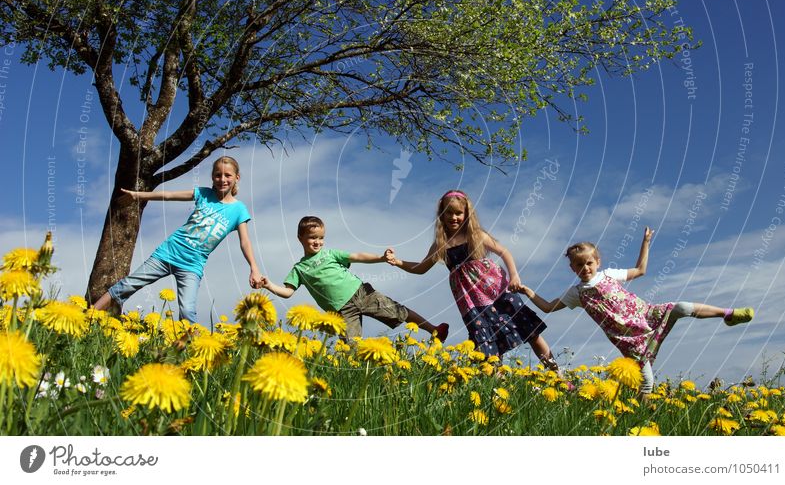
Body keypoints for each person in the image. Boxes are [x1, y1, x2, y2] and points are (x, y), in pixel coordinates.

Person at [520, 226, 754, 393]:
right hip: (627, 339)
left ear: (598, 262)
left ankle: (728, 314)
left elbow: (640, 270)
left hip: (646, 315)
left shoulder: (609, 274)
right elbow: (548, 308)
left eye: (589, 263)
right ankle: (639, 416)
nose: (585, 268)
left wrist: (645, 243)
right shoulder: (576, 293)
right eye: (579, 265)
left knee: (681, 307)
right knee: (647, 383)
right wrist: (528, 291)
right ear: (572, 268)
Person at [386, 189, 558, 369]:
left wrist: (514, 275)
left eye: (458, 213)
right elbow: (421, 268)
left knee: (528, 328)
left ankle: (556, 373)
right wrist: (398, 262)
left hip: (495, 290)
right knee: (485, 339)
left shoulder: (476, 235)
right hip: (470, 300)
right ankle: (496, 383)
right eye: (449, 213)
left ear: (467, 214)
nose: (454, 217)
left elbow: (504, 252)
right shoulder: (440, 244)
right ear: (442, 216)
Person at [93, 156, 262, 323]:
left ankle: (190, 347)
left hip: (192, 265)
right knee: (128, 285)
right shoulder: (203, 194)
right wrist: (137, 195)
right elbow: (169, 195)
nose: (222, 179)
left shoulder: (239, 210)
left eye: (227, 175)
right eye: (218, 175)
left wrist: (254, 268)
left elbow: (245, 241)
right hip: (168, 253)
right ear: (212, 177)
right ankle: (89, 316)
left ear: (236, 178)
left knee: (187, 310)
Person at [259, 216, 448, 341]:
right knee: (352, 347)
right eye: (312, 237)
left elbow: (357, 256)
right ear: (300, 238)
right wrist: (269, 285)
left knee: (399, 311)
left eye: (321, 237)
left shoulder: (330, 254)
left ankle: (433, 330)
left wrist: (381, 258)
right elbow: (288, 292)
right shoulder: (299, 269)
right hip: (341, 311)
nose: (317, 241)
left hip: (362, 293)